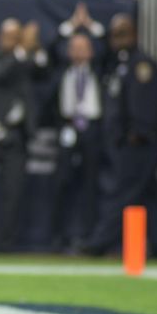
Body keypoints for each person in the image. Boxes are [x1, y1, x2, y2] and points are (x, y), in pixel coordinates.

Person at [81, 14, 157, 258]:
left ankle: (98, 243)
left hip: (138, 145)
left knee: (123, 193)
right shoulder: (116, 65)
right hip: (124, 144)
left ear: (135, 35)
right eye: (114, 34)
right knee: (148, 196)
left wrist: (138, 134)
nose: (117, 39)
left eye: (123, 33)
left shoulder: (141, 64)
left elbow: (145, 105)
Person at [0, 18, 48, 252]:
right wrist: (21, 51)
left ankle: (5, 244)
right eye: (10, 36)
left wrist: (34, 48)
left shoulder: (26, 59)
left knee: (14, 192)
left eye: (17, 37)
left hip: (18, 135)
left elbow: (43, 70)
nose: (13, 41)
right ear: (1, 37)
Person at [50, 32, 103, 252]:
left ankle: (89, 237)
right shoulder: (61, 73)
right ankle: (61, 238)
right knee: (63, 184)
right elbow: (51, 49)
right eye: (75, 47)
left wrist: (91, 27)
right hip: (68, 128)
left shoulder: (101, 71)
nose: (79, 51)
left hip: (92, 130)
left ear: (91, 51)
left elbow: (107, 43)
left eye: (84, 47)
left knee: (91, 185)